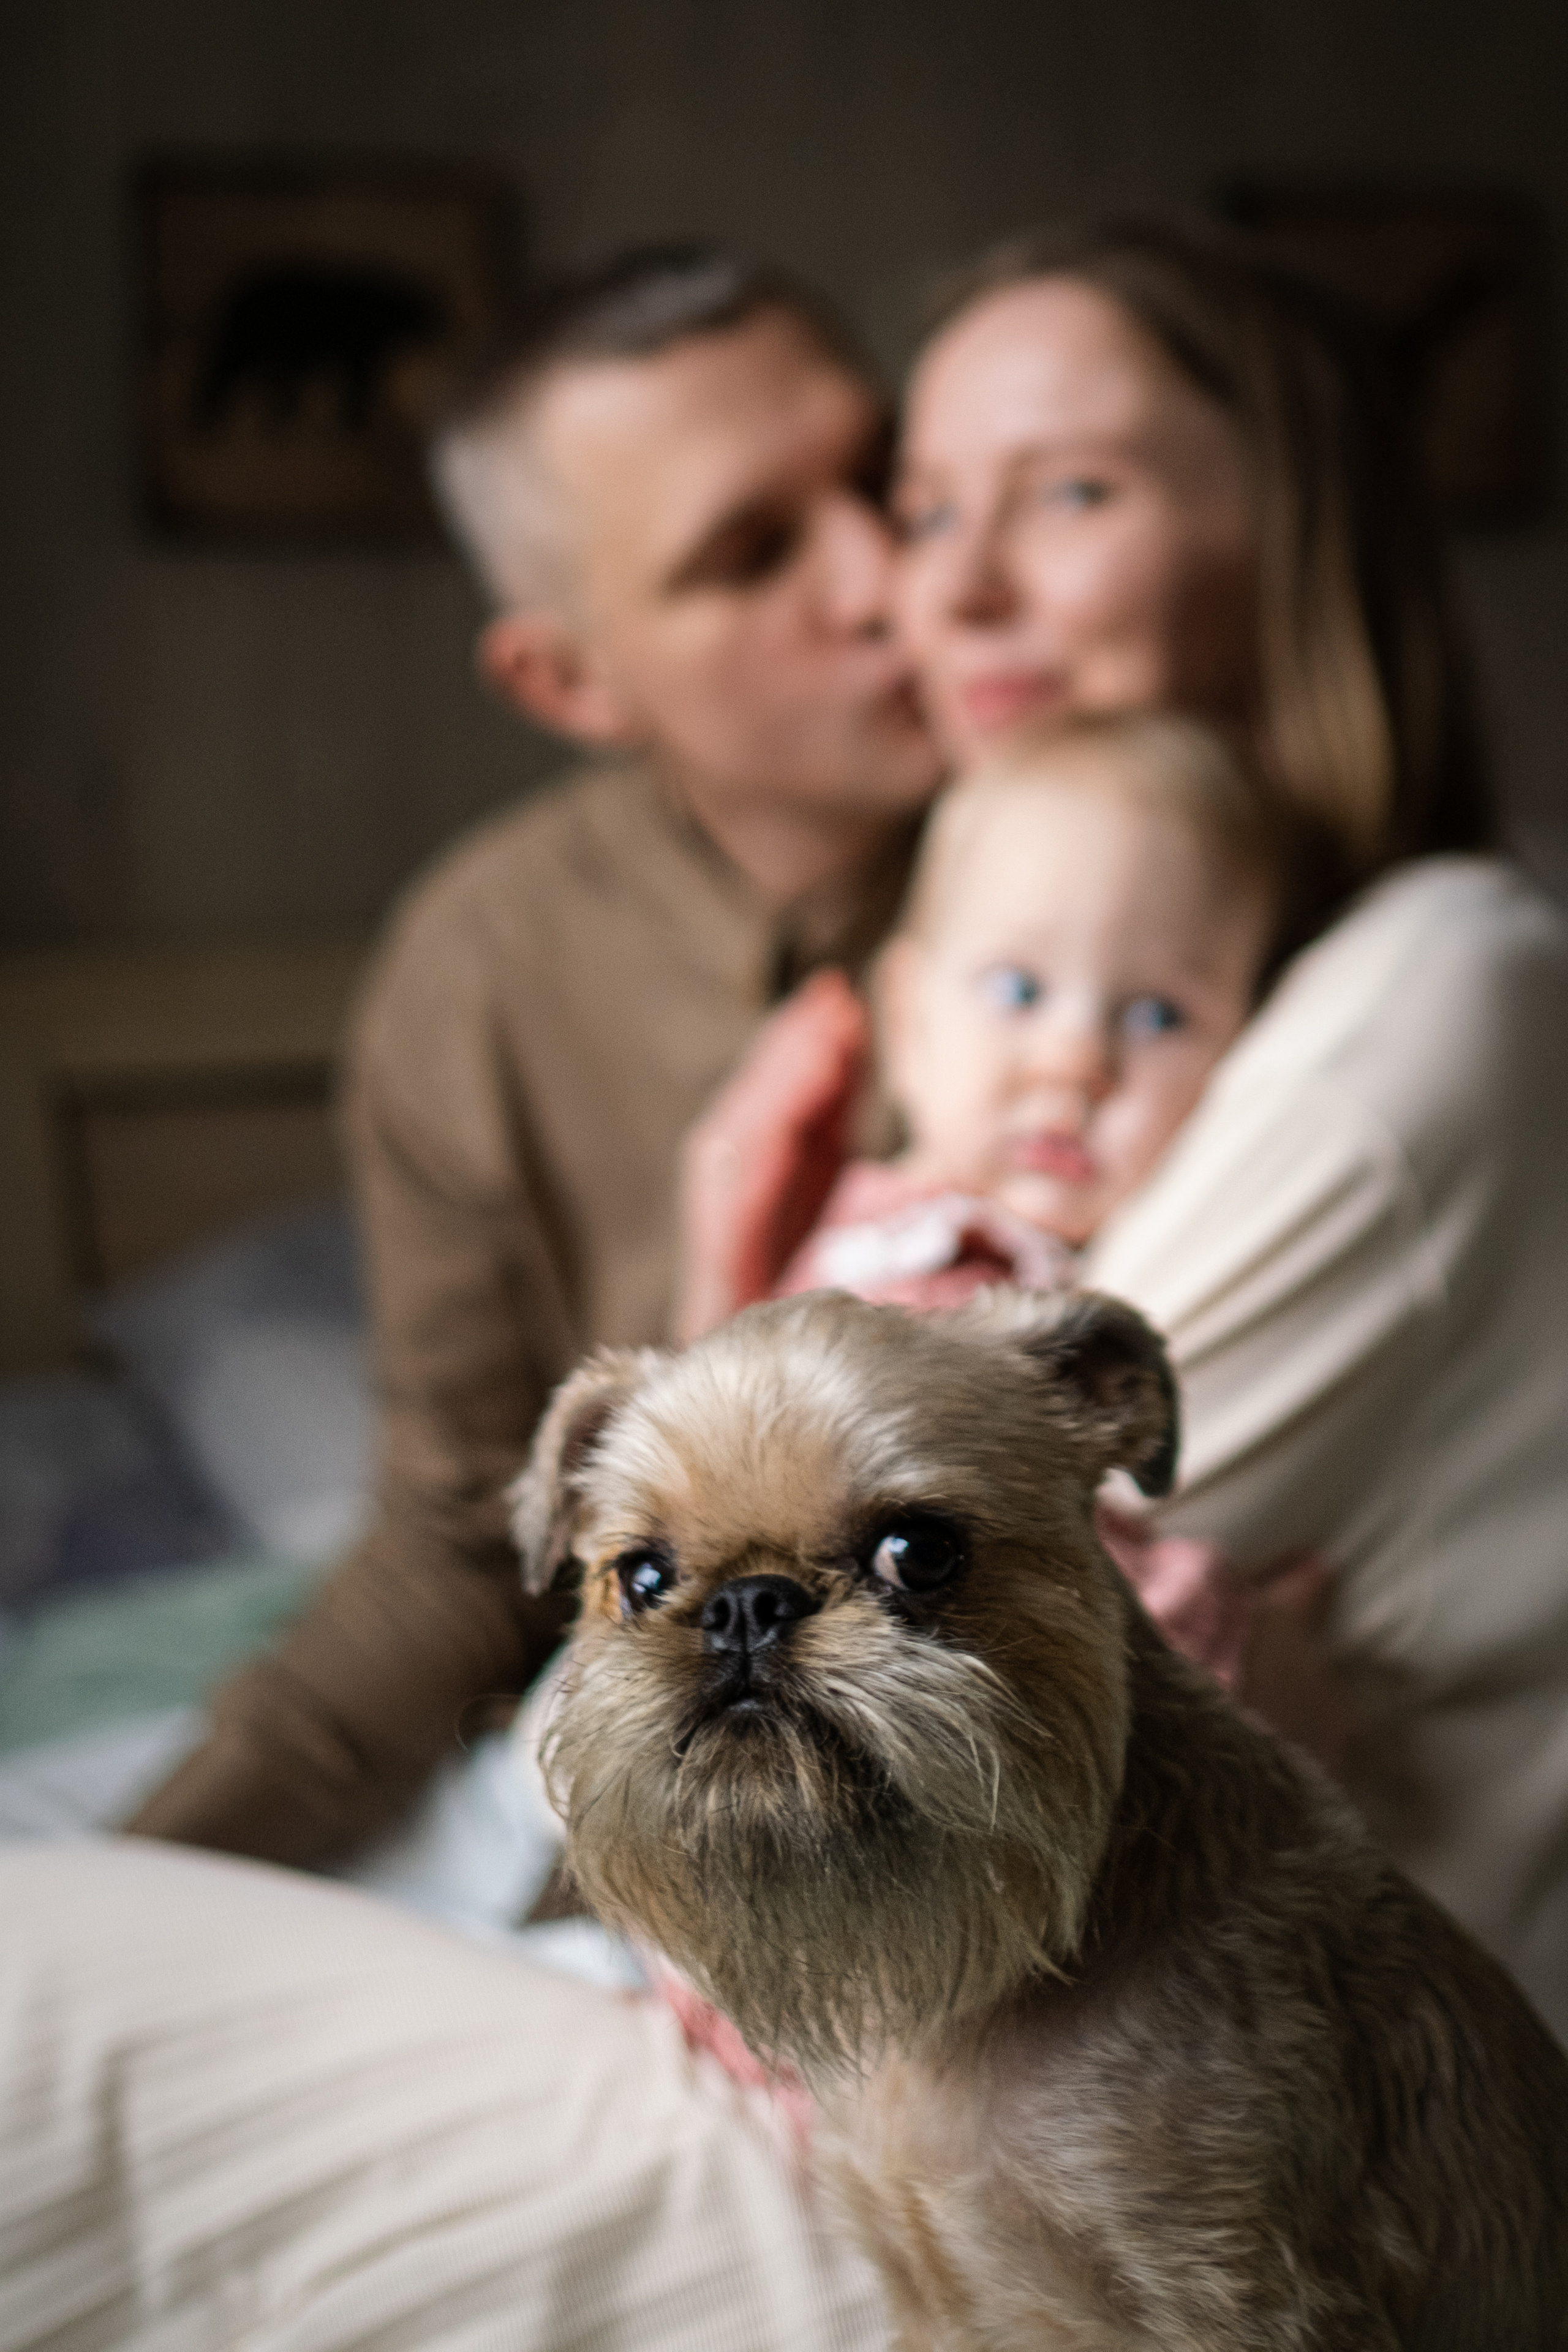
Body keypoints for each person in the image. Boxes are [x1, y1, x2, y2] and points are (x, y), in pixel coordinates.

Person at [682, 216, 1568, 2042]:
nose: (955, 593)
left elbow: (767, 1706)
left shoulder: (1422, 992)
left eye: (1067, 493)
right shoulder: (990, 1064)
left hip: (1288, 2106)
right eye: (927, 511)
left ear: (1298, 534)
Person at [123, 245, 941, 1867]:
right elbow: (455, 1534)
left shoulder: (1136, 878)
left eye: (882, 475)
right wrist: (142, 1890)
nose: (881, 579)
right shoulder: (482, 968)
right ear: (569, 679)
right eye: (752, 551)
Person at [765, 710, 1299, 1313]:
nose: (1073, 1062)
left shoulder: (1152, 1268)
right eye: (1016, 992)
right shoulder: (915, 1277)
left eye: (1155, 1017)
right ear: (907, 1023)